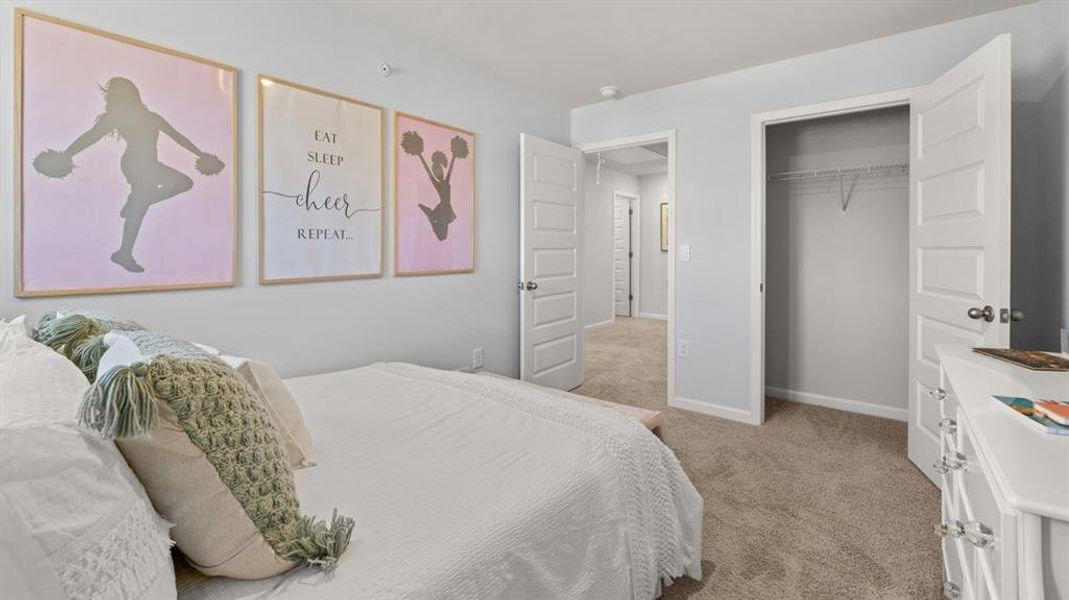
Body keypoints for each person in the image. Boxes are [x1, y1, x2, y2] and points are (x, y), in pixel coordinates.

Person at [33, 77, 225, 273]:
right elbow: (91, 137)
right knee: (140, 209)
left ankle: (136, 209)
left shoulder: (152, 117)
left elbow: (178, 137)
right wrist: (66, 154)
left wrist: (200, 154)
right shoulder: (117, 117)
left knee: (184, 183)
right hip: (135, 164)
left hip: (151, 164)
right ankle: (125, 251)